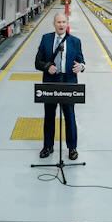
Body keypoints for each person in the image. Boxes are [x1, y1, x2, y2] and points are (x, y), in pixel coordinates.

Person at [33, 11, 86, 160]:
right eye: (58, 22)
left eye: (64, 22)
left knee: (69, 116)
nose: (61, 25)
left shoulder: (75, 41)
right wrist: (47, 67)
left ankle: (72, 148)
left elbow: (81, 61)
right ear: (54, 24)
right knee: (49, 115)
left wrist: (81, 67)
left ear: (67, 24)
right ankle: (48, 146)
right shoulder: (46, 39)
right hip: (51, 82)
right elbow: (37, 62)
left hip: (68, 82)